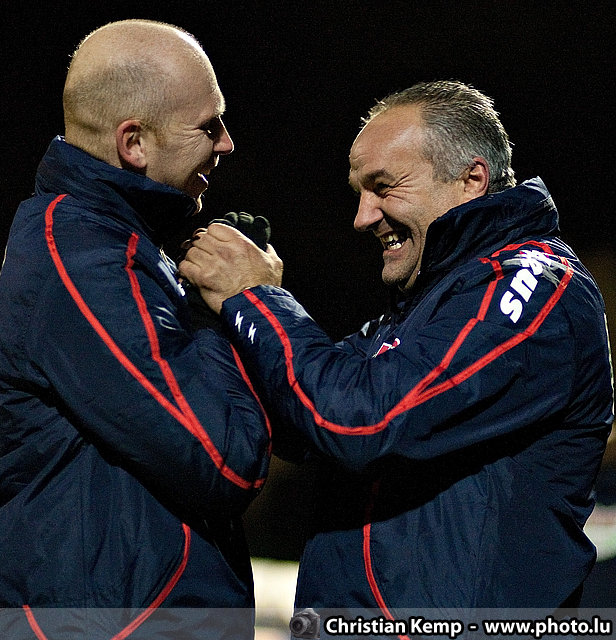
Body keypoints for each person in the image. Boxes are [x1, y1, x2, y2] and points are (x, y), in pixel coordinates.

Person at [180, 80, 614, 612]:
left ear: (471, 179)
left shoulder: (536, 285)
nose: (362, 217)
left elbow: (361, 422)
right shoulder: (423, 310)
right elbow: (300, 416)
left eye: (383, 187)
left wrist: (256, 299)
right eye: (359, 193)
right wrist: (218, 318)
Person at [0, 19, 271, 639]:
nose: (228, 143)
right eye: (209, 126)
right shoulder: (82, 256)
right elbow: (225, 461)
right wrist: (238, 305)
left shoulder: (113, 245)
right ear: (133, 143)